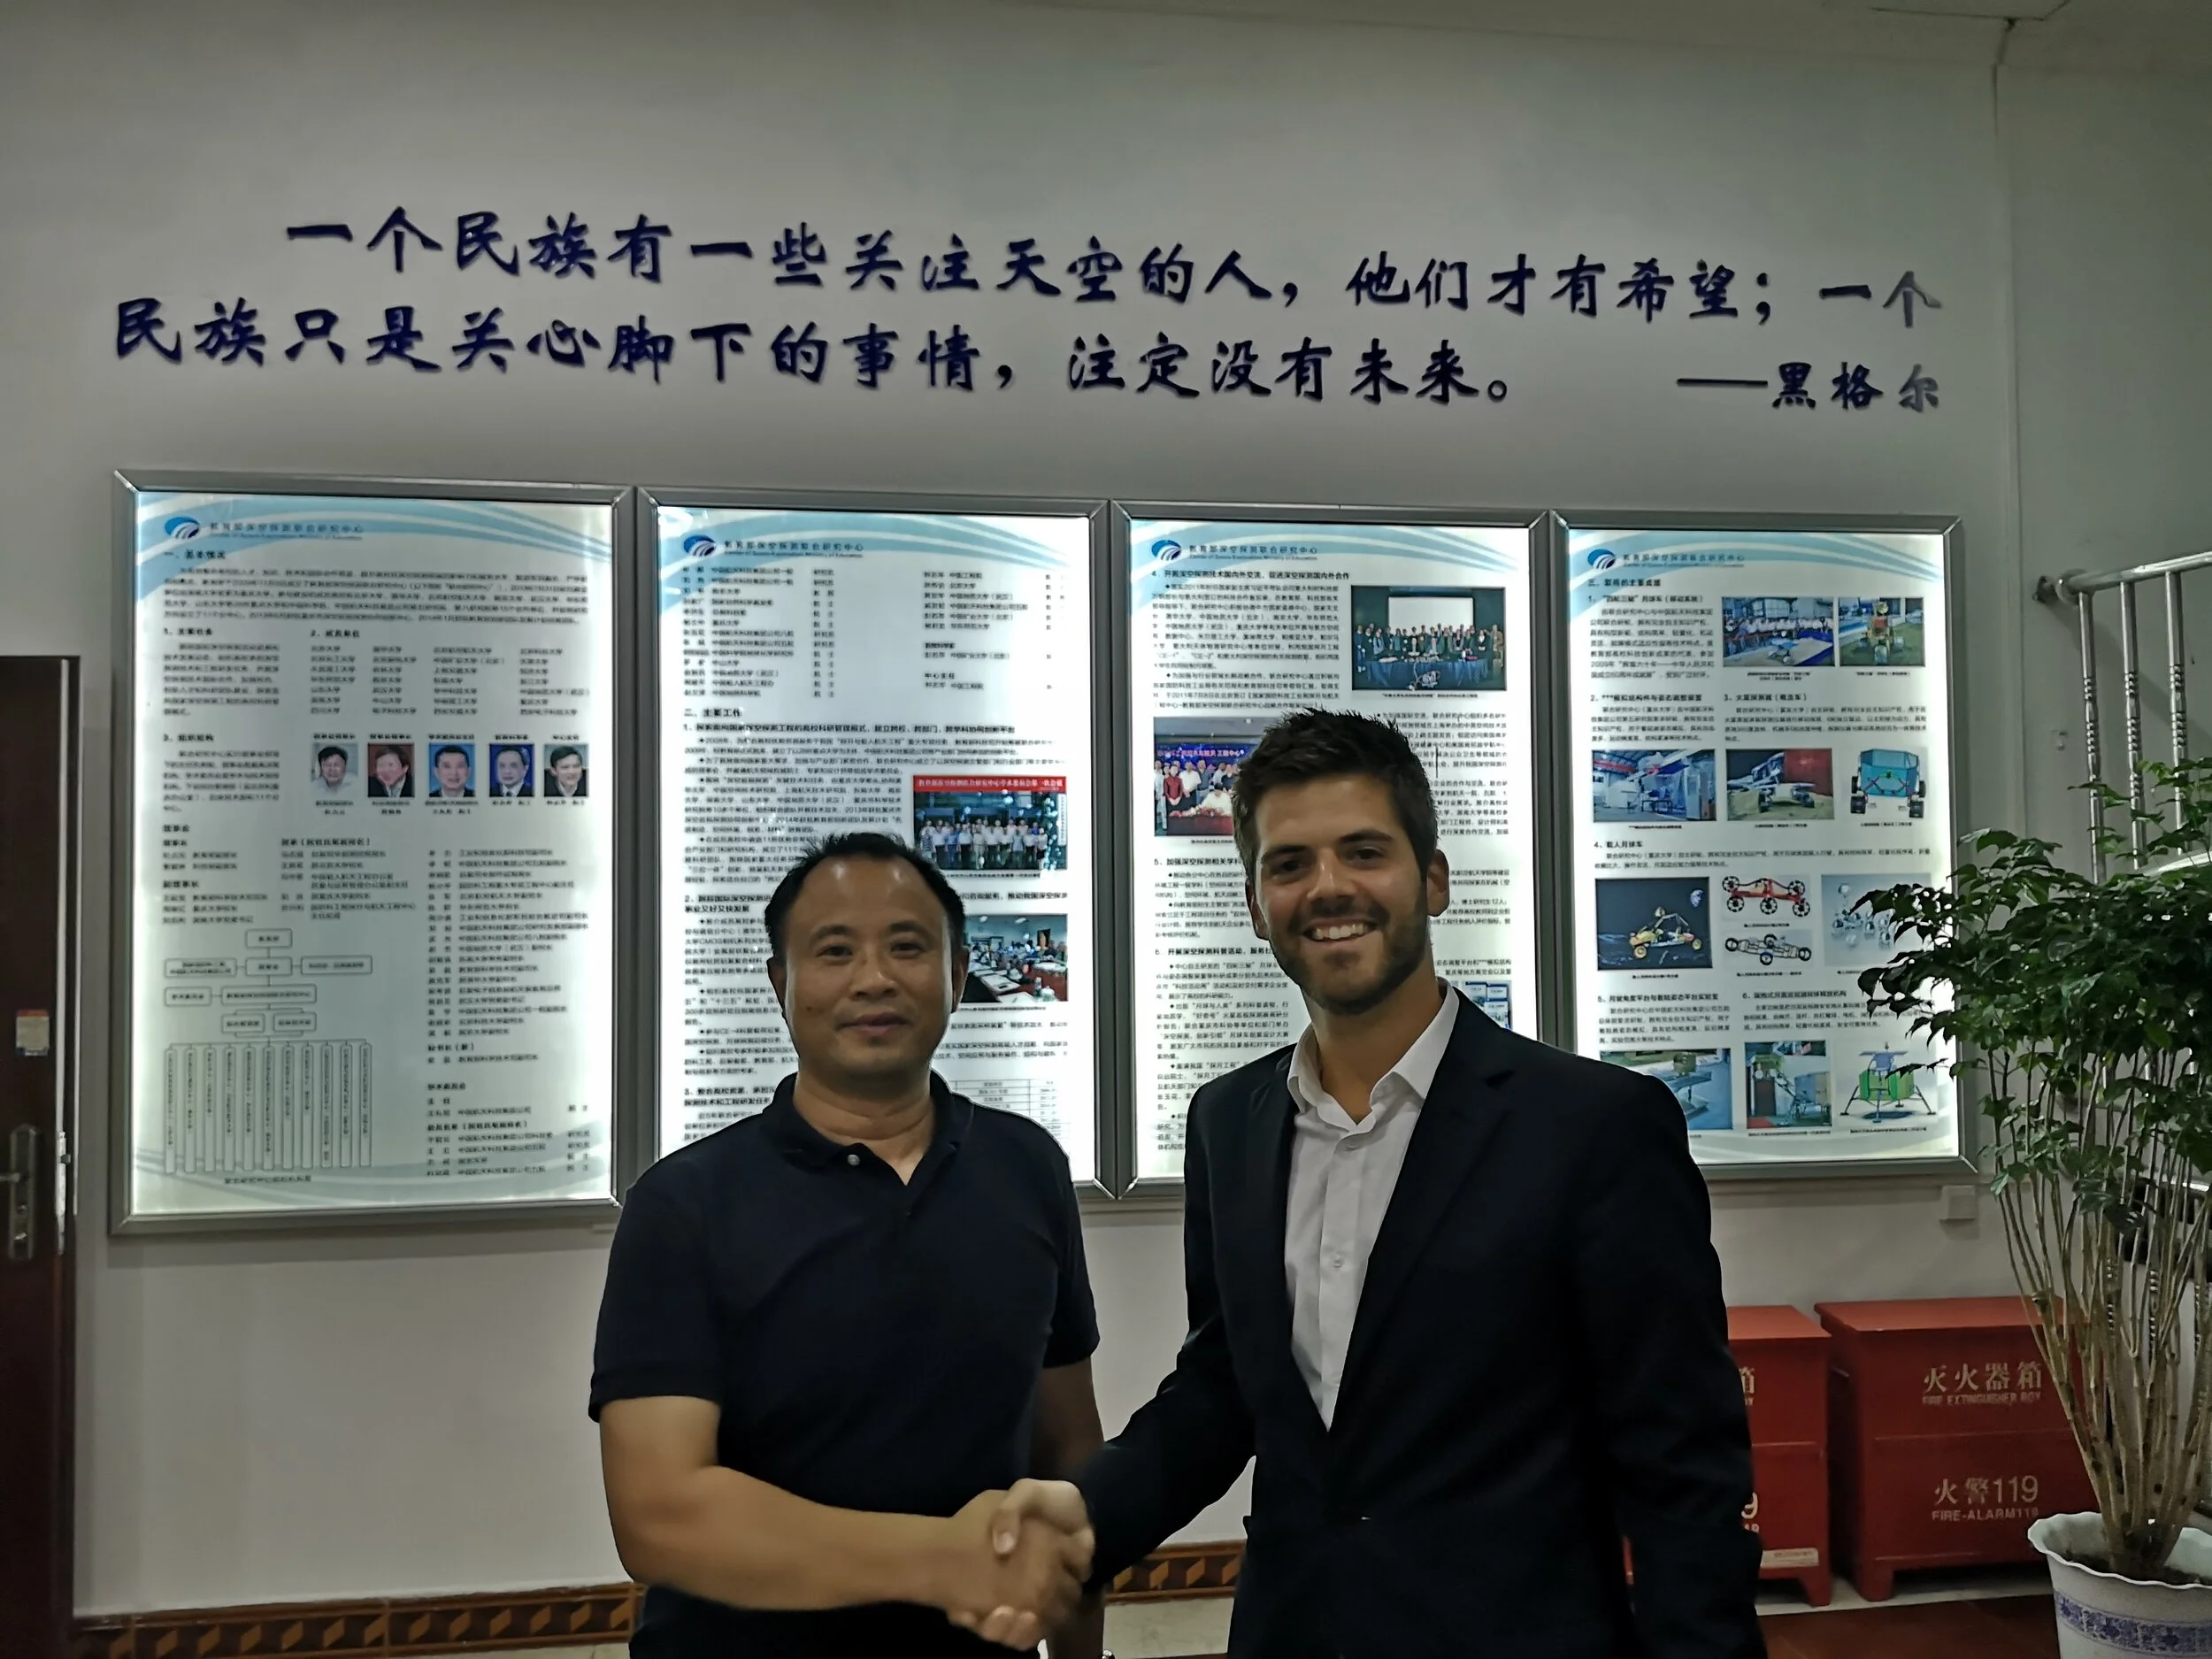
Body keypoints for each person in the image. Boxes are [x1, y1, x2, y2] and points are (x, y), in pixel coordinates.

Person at [977, 709, 1762, 1659]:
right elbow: (1226, 1385)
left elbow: (1682, 1462)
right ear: (1256, 904)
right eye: (1289, 863)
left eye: (1363, 851)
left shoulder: (1594, 1127)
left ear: (1432, 879)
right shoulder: (1229, 1123)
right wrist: (1085, 1514)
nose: (1328, 887)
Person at [592, 833, 1106, 1659]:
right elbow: (660, 1516)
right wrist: (941, 1560)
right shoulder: (686, 1204)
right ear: (781, 983)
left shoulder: (1026, 1166)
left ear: (958, 973)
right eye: (835, 950)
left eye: (908, 946)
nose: (874, 978)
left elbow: (1068, 1455)